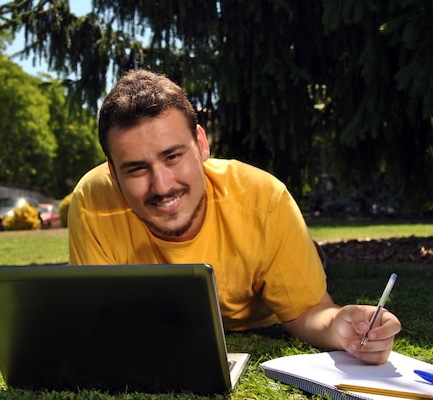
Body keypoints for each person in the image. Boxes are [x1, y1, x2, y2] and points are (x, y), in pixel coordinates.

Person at [68, 69, 401, 365]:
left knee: (301, 269)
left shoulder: (265, 199)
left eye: (172, 156)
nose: (162, 186)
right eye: (136, 169)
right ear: (113, 173)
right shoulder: (92, 200)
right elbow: (101, 320)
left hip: (258, 310)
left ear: (201, 144)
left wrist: (341, 325)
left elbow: (308, 312)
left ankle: (311, 256)